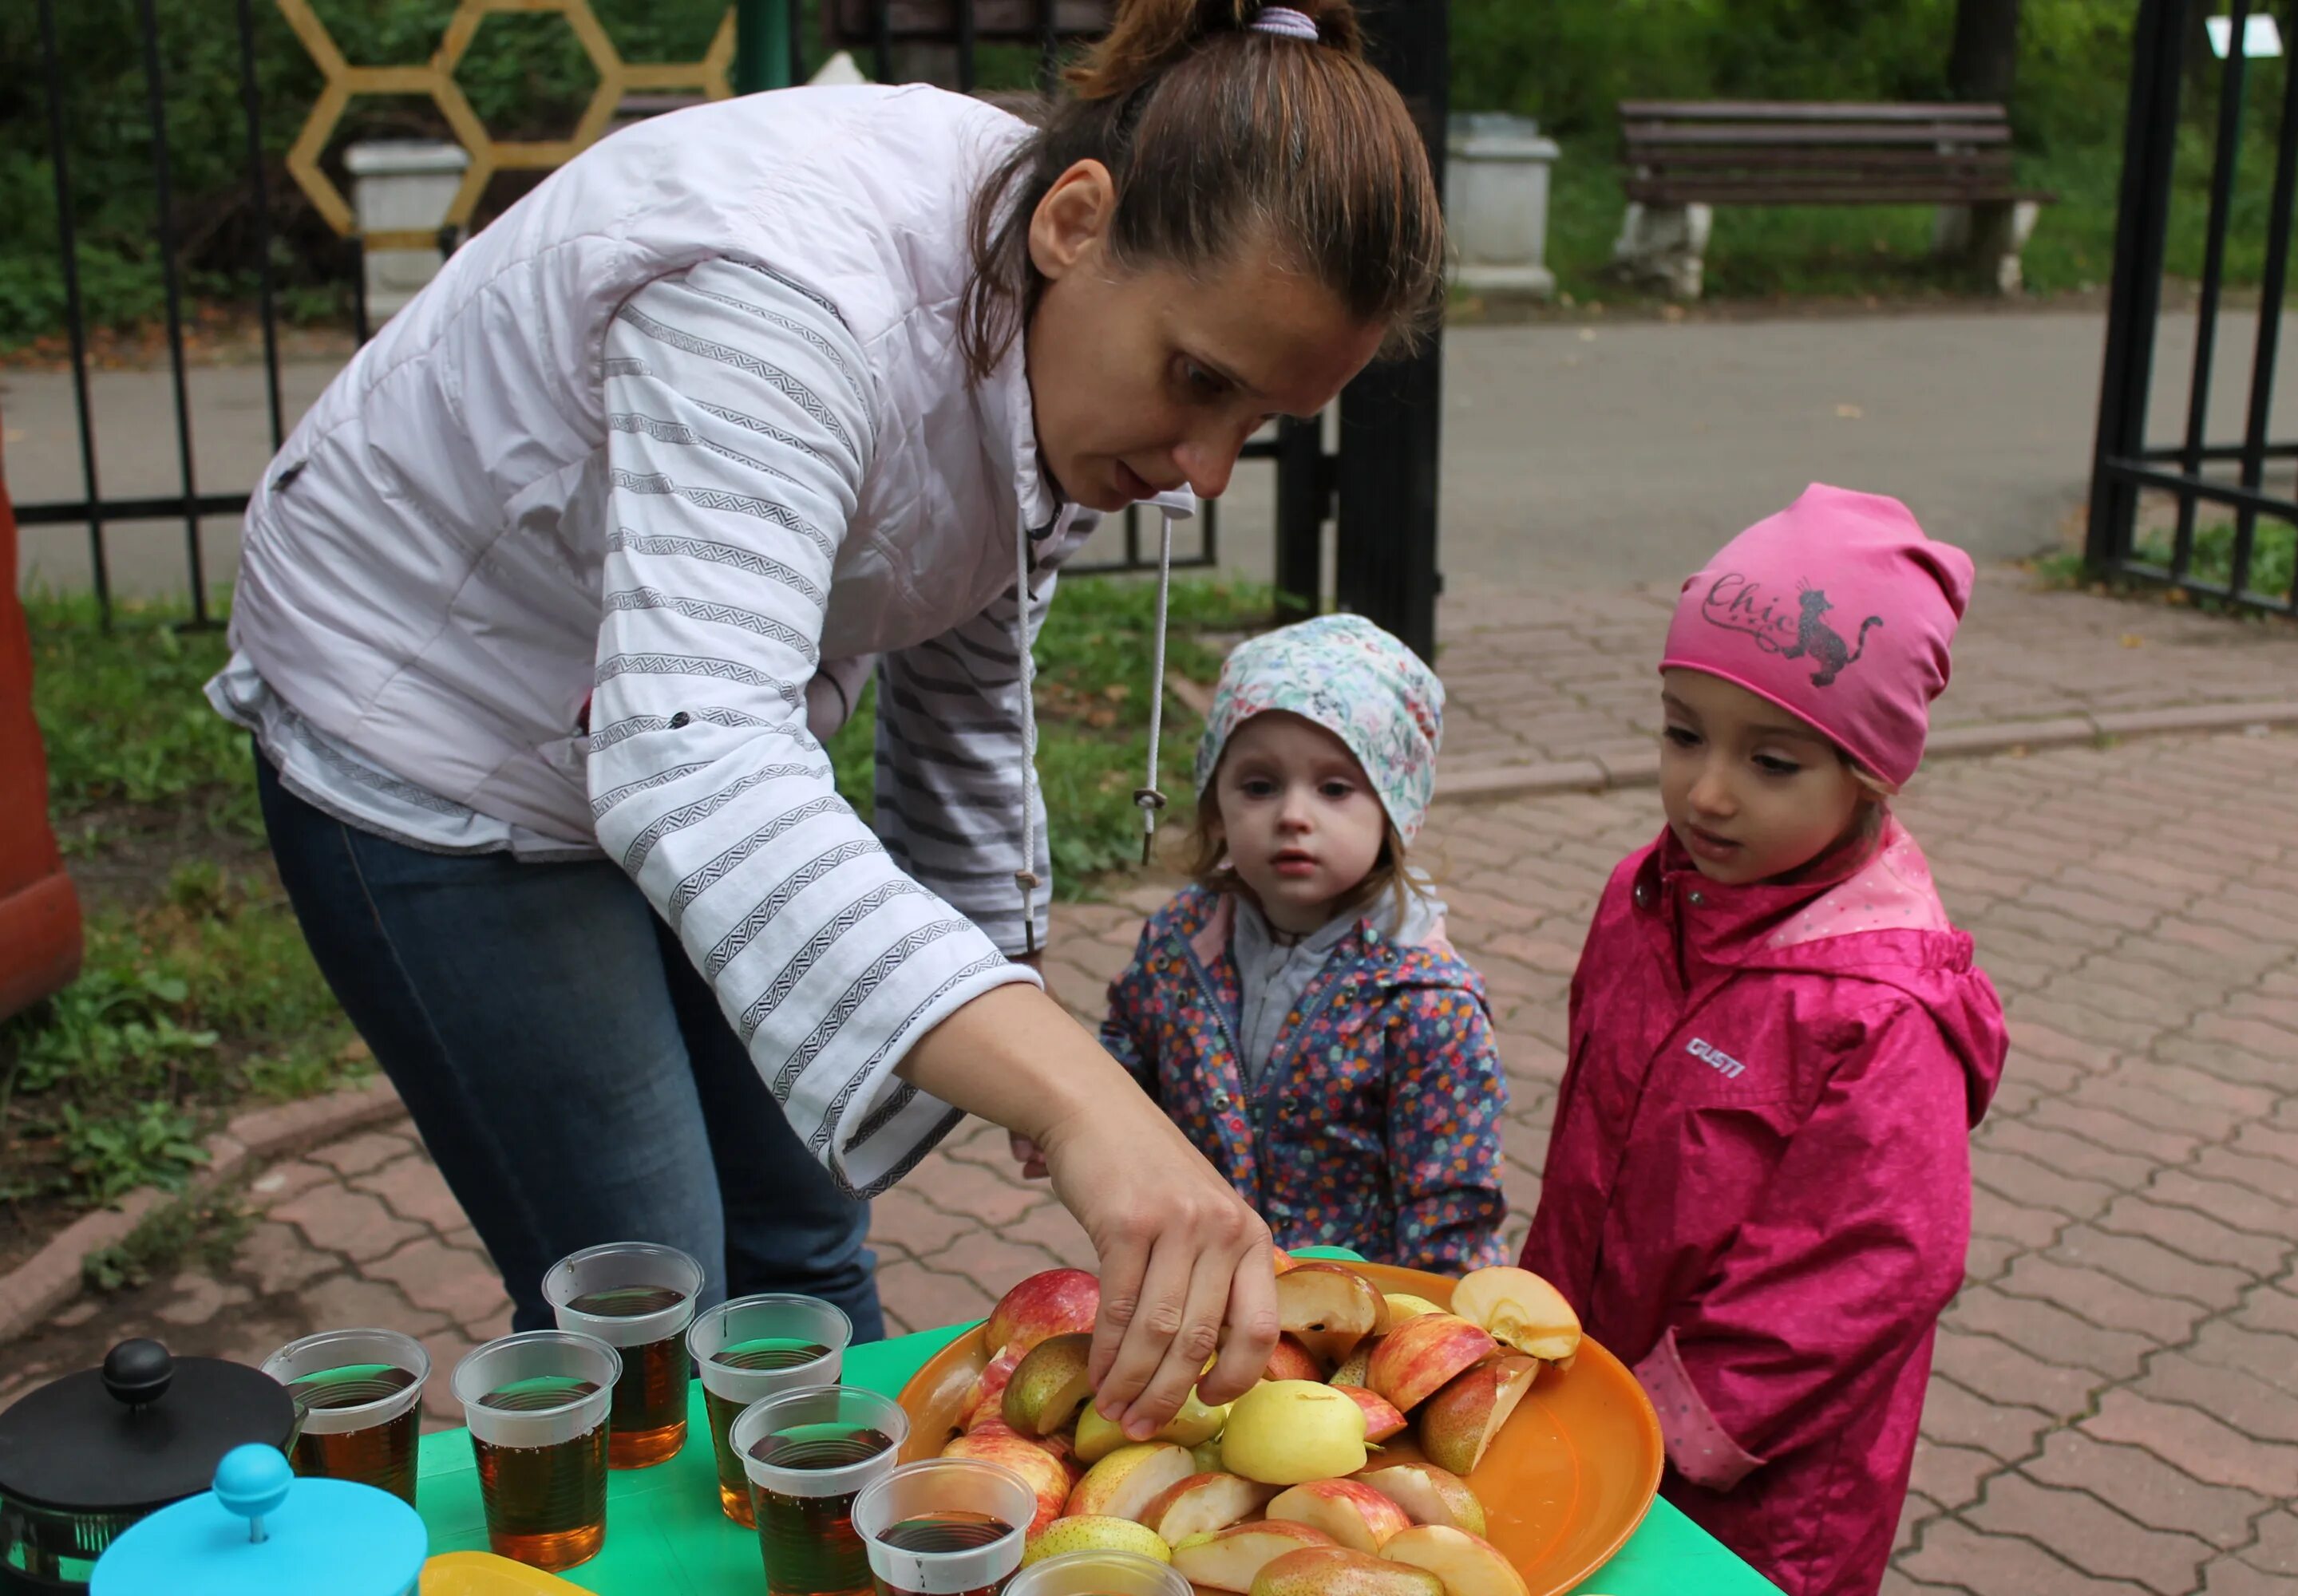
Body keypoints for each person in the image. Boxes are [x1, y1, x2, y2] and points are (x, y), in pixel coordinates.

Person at [207, 0, 1443, 1435]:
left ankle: (861, 1534)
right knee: (648, 1284)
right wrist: (1075, 1100)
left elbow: (969, 680)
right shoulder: (785, 294)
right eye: (1202, 385)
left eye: (1260, 424)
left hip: (666, 715)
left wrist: (1010, 1007)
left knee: (804, 1226)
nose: (1204, 472)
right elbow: (695, 763)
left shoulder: (1065, 298)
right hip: (432, 718)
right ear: (1077, 223)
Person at [1518, 484, 2007, 1596]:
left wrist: (1671, 1422)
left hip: (1759, 1485)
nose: (1707, 791)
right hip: (1585, 1390)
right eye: (1683, 734)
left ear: (1870, 774)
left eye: (1773, 763)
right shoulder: (1646, 898)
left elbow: (1873, 1264)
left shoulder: (1879, 1014)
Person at [1022, 615, 1505, 1272]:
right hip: (1192, 1277)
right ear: (1215, 803)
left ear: (1395, 804)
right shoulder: (1179, 943)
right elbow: (1130, 1058)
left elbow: (1450, 1210)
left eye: (1336, 788)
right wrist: (1071, 1113)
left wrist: (1444, 1335)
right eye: (1259, 785)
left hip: (1348, 1321)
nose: (1293, 815)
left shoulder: (1426, 1003)